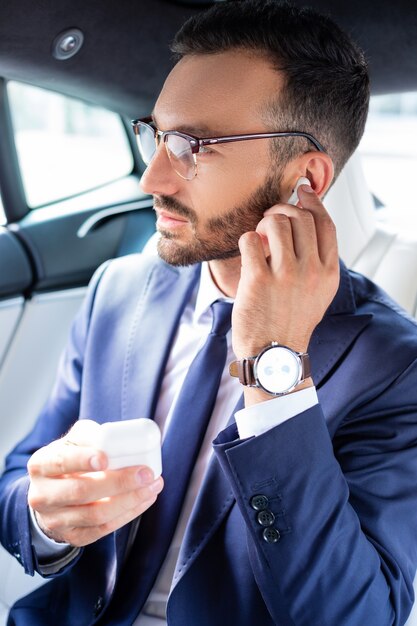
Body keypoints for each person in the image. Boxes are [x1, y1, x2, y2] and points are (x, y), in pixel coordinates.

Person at [1, 1, 417, 624]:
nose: (153, 178)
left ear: (304, 179)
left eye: (194, 146)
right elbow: (19, 479)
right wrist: (47, 516)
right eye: (158, 136)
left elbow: (353, 614)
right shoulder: (117, 289)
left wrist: (276, 365)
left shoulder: (396, 366)